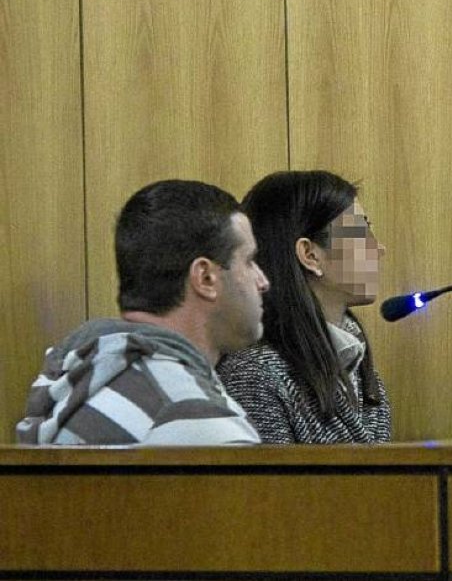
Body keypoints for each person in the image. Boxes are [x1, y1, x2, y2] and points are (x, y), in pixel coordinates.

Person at [17, 180, 268, 445]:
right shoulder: (187, 410)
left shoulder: (93, 375)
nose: (263, 281)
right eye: (249, 261)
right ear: (205, 278)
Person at [216, 170, 392, 443]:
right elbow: (270, 486)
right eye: (362, 230)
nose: (379, 248)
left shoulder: (360, 368)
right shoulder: (257, 375)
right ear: (310, 255)